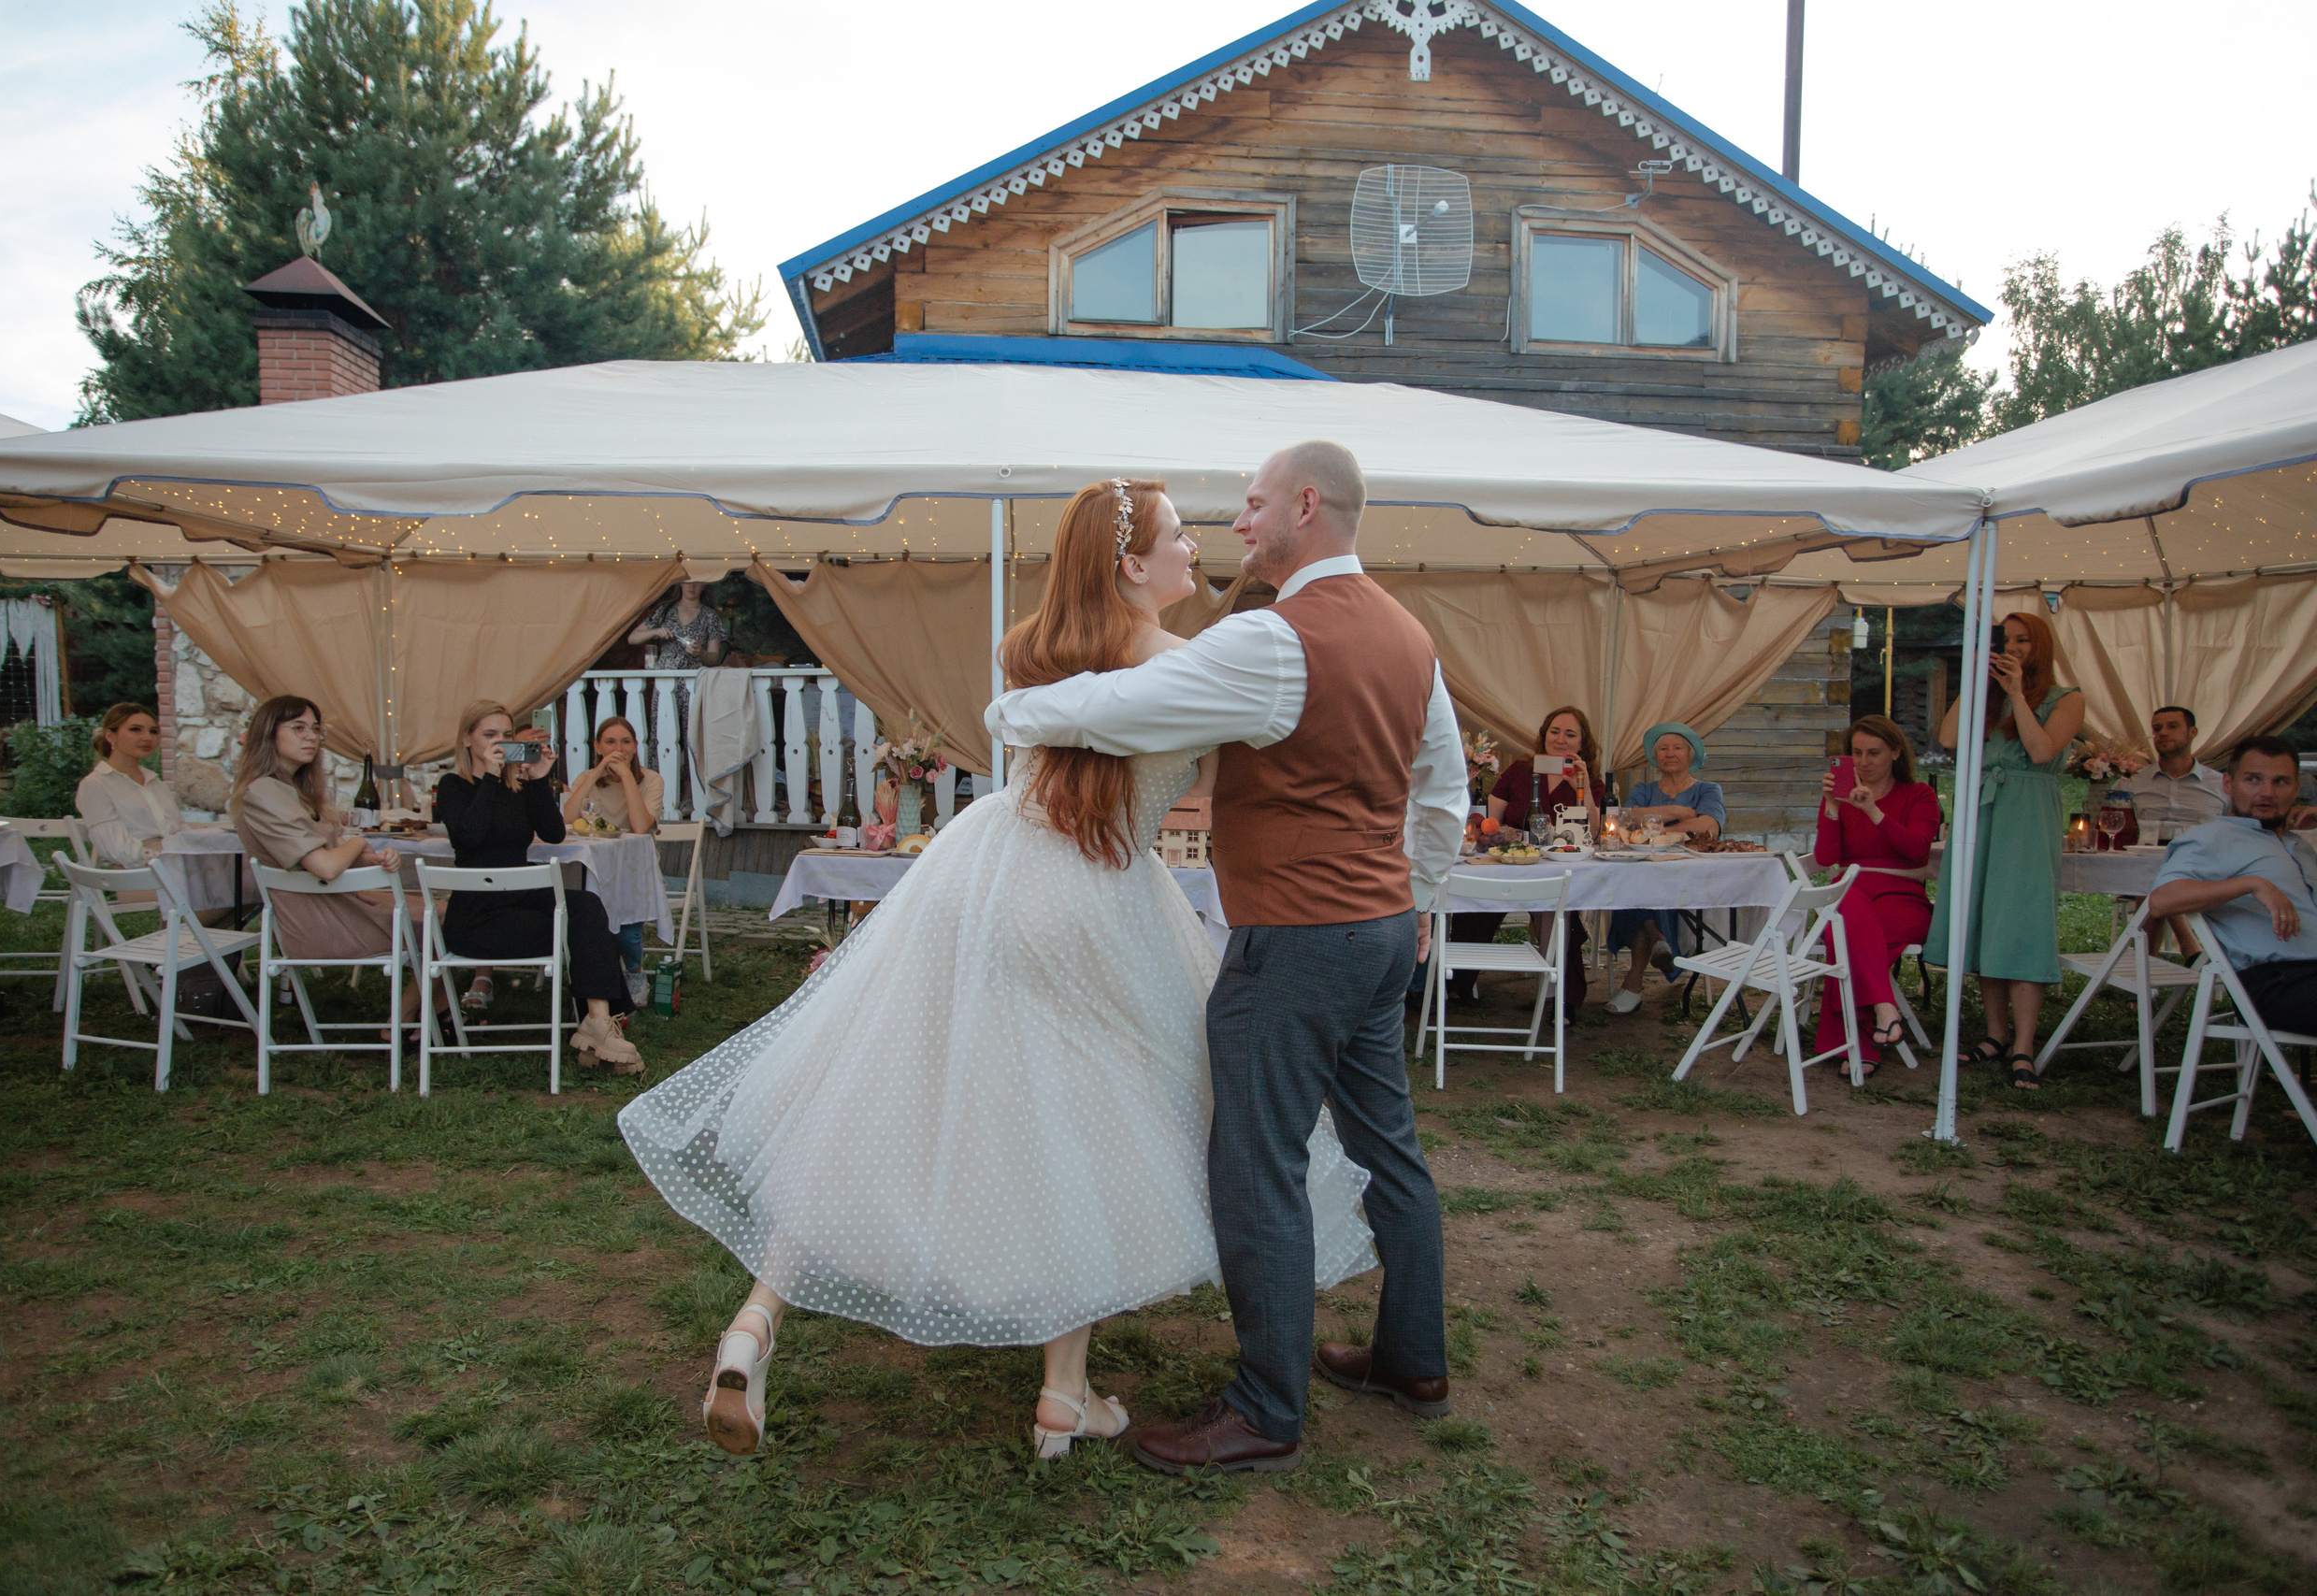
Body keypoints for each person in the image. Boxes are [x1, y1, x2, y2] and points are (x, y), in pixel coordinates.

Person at [619, 476, 1380, 1465]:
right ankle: (1062, 1391)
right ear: (1130, 565)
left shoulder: (1029, 652)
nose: (1195, 549)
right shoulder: (1186, 666)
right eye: (1177, 537)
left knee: (881, 1086)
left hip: (981, 876)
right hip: (1096, 897)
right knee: (1096, 1120)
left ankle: (753, 1326)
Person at [988, 441, 1469, 1477]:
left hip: (1295, 939)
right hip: (1381, 933)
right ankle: (1412, 1362)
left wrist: (1010, 712)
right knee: (1390, 1148)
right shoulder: (1409, 636)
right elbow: (1444, 794)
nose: (1239, 525)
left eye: (1252, 506)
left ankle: (1264, 1407)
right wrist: (1417, 897)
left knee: (1257, 1167)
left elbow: (1114, 711)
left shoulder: (1275, 640)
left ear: (1305, 504)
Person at [1920, 611, 2087, 1089]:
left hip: (2028, 810)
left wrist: (2017, 693)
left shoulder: (2067, 699)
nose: (2012, 648)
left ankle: (2024, 1045)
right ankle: (1994, 1034)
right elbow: (1949, 738)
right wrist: (1976, 681)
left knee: (2021, 919)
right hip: (1980, 808)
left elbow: (2041, 751)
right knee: (1984, 916)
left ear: (2042, 647)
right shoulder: (1986, 696)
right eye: (2005, 640)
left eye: (2022, 641)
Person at [434, 702, 641, 1072]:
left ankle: (598, 1021)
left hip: (522, 900)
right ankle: (603, 1027)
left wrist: (538, 779)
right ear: (467, 740)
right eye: (489, 735)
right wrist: (491, 779)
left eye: (506, 735)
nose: (500, 743)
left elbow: (553, 832)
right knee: (580, 929)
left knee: (587, 907)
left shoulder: (520, 786)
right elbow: (469, 835)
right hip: (478, 917)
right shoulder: (454, 786)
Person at [229, 696, 437, 1028]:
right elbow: (326, 866)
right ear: (268, 734)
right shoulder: (263, 793)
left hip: (336, 903)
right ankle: (409, 1019)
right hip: (319, 921)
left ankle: (420, 1017)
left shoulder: (295, 790)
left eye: (314, 729)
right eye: (298, 728)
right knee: (449, 921)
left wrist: (373, 857)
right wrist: (359, 842)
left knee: (451, 914)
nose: (311, 737)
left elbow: (332, 855)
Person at [2145, 738, 2317, 1039]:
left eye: (2280, 782)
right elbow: (2161, 900)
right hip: (2275, 981)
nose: (2267, 792)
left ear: (2296, 789)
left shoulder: (2298, 844)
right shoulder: (2213, 838)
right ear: (2227, 783)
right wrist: (2252, 884)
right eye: (2253, 779)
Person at [1443, 705, 1605, 1012]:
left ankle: (1561, 1000)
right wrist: (1504, 833)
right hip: (1510, 863)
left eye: (1570, 734)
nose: (1560, 739)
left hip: (1557, 869)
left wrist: (1579, 787)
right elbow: (1489, 822)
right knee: (1477, 902)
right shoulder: (1520, 771)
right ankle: (1457, 985)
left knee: (1560, 912)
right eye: (1554, 732)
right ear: (1544, 737)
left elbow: (1594, 833)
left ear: (1581, 743)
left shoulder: (1589, 780)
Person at [1812, 715, 1942, 1076]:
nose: (1865, 762)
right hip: (1855, 894)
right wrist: (1833, 808)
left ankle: (1859, 1042)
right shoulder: (1840, 797)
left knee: (1845, 930)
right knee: (1846, 906)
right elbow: (1826, 858)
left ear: (1896, 753)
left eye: (1874, 752)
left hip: (1902, 898)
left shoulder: (1919, 795)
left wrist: (1872, 810)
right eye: (1857, 753)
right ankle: (1885, 1012)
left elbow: (1918, 850)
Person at [1605, 724, 1726, 1014]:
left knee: (1641, 891)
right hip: (1640, 874)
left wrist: (1650, 827)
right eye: (1662, 748)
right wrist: (1673, 813)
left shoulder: (1707, 790)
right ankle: (1658, 939)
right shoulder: (1644, 789)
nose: (1669, 753)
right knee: (1639, 885)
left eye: (1677, 747)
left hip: (1686, 878)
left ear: (1691, 754)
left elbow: (1709, 825)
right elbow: (1619, 819)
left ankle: (1634, 982)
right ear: (1654, 756)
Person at [562, 715, 665, 1005]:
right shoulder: (586, 778)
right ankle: (597, 976)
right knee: (589, 920)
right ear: (597, 746)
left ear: (634, 747)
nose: (618, 748)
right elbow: (567, 820)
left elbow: (641, 826)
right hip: (589, 865)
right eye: (610, 742)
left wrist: (628, 777)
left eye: (625, 741)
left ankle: (633, 970)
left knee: (627, 929)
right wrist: (595, 774)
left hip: (633, 865)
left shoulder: (651, 780)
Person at [75, 703, 181, 867]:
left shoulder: (156, 783)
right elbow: (114, 848)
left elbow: (179, 829)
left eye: (153, 731)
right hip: (138, 875)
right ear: (111, 736)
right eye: (135, 729)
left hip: (175, 864)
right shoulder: (95, 785)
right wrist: (163, 858)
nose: (147, 737)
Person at [2135, 706, 2227, 840]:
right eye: (2157, 729)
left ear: (2192, 732)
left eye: (2172, 726)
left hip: (2202, 858)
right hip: (2140, 858)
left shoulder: (2222, 785)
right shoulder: (2132, 783)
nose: (2163, 733)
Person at [628, 581, 727, 670]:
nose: (692, 586)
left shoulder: (710, 616)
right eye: (688, 581)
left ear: (703, 586)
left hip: (693, 681)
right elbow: (632, 638)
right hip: (665, 681)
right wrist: (656, 631)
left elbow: (714, 659)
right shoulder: (664, 610)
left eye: (697, 582)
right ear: (680, 583)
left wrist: (700, 652)